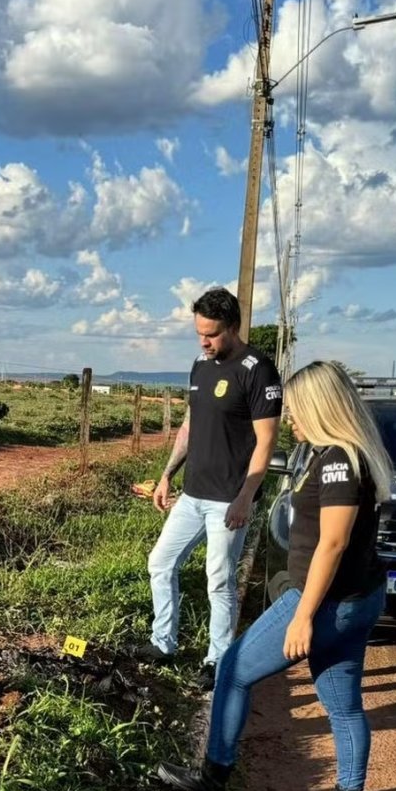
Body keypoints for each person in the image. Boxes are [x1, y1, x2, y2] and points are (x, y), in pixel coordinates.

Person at [158, 360, 392, 791]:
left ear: (322, 408)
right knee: (343, 705)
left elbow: (332, 543)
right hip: (357, 598)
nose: (290, 420)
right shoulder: (349, 456)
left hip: (323, 599)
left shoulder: (337, 462)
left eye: (298, 410)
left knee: (232, 670)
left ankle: (212, 779)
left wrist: (304, 616)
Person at [138, 286, 282, 680]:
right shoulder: (201, 366)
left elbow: (267, 440)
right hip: (193, 494)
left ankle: (219, 661)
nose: (205, 341)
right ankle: (163, 642)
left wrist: (245, 497)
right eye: (200, 332)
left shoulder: (258, 369)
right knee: (160, 563)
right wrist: (167, 475)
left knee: (218, 580)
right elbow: (189, 425)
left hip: (229, 499)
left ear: (233, 327)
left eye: (213, 333)